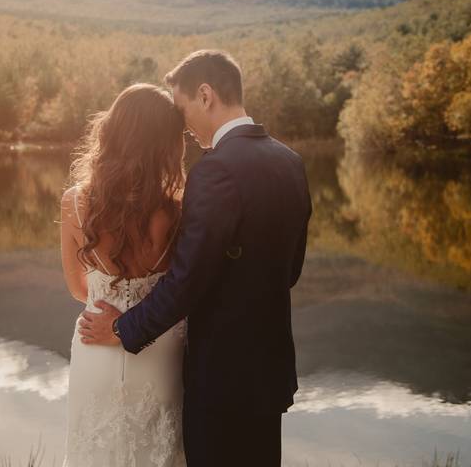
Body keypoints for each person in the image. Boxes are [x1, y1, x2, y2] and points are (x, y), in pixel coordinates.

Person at [79, 49, 313, 466]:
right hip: (269, 371)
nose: (182, 126)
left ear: (206, 95)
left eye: (183, 108)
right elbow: (289, 270)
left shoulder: (215, 170)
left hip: (221, 378)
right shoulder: (289, 162)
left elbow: (187, 280)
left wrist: (124, 328)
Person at [59, 83, 188, 467]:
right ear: (166, 142)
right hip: (160, 347)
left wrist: (112, 317)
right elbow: (185, 286)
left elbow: (77, 288)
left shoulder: (75, 203)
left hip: (94, 342)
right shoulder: (178, 209)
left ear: (112, 130)